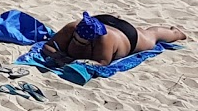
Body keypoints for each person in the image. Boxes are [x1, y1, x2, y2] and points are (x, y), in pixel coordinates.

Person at [40, 13, 186, 66]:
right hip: (102, 20)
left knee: (150, 36)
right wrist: (57, 55)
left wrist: (73, 61)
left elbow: (102, 63)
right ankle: (113, 17)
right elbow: (48, 46)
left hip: (126, 36)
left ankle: (176, 33)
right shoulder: (73, 27)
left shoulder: (104, 41)